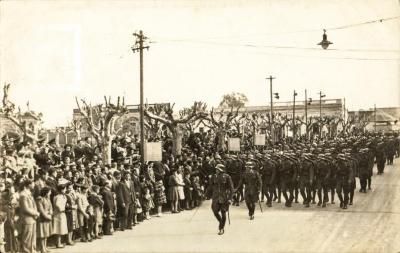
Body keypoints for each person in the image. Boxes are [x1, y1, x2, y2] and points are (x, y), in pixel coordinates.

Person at [205, 164, 234, 235]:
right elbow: (210, 186)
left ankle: (221, 228)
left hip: (224, 197)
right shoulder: (213, 177)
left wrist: (230, 198)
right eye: (216, 169)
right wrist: (205, 194)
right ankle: (221, 222)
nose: (216, 170)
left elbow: (231, 189)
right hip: (215, 197)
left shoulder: (227, 177)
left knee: (223, 213)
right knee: (215, 211)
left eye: (217, 169)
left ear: (221, 170)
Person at [19, 178, 39, 253]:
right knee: (27, 237)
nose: (34, 185)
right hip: (27, 218)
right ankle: (26, 251)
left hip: (32, 218)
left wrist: (35, 213)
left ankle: (32, 250)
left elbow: (33, 205)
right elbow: (25, 208)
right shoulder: (23, 194)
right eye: (33, 183)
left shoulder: (29, 193)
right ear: (29, 185)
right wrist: (36, 213)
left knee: (33, 237)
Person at [36, 187, 53, 253]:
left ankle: (45, 247)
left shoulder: (48, 199)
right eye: (49, 192)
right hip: (42, 218)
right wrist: (47, 216)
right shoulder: (40, 199)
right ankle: (42, 248)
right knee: (42, 234)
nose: (50, 193)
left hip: (47, 217)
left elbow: (51, 207)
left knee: (46, 234)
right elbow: (41, 210)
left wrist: (51, 213)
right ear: (46, 192)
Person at [52, 183, 68, 248]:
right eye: (64, 189)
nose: (65, 190)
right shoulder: (58, 197)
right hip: (59, 214)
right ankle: (58, 243)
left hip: (61, 214)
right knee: (58, 228)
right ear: (61, 190)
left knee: (60, 228)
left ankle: (59, 242)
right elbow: (57, 204)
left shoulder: (62, 196)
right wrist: (61, 209)